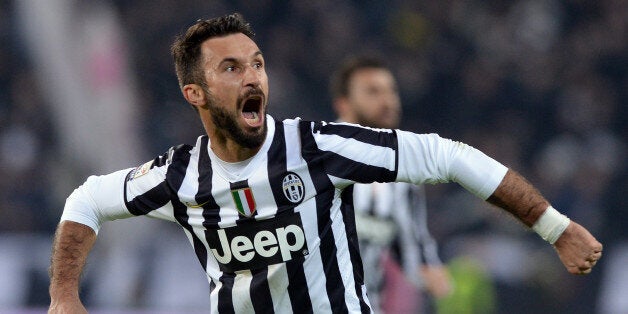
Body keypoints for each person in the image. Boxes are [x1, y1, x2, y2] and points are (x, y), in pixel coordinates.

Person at [48, 13, 602, 314]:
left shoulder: (318, 147)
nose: (253, 78)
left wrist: (555, 227)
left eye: (258, 64)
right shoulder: (179, 177)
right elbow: (86, 200)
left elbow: (447, 156)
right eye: (232, 67)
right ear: (195, 93)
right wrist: (63, 296)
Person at [330, 56, 452, 313]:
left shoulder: (403, 178)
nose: (388, 101)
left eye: (391, 91)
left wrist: (441, 284)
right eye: (373, 92)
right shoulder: (315, 160)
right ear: (343, 104)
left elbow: (414, 250)